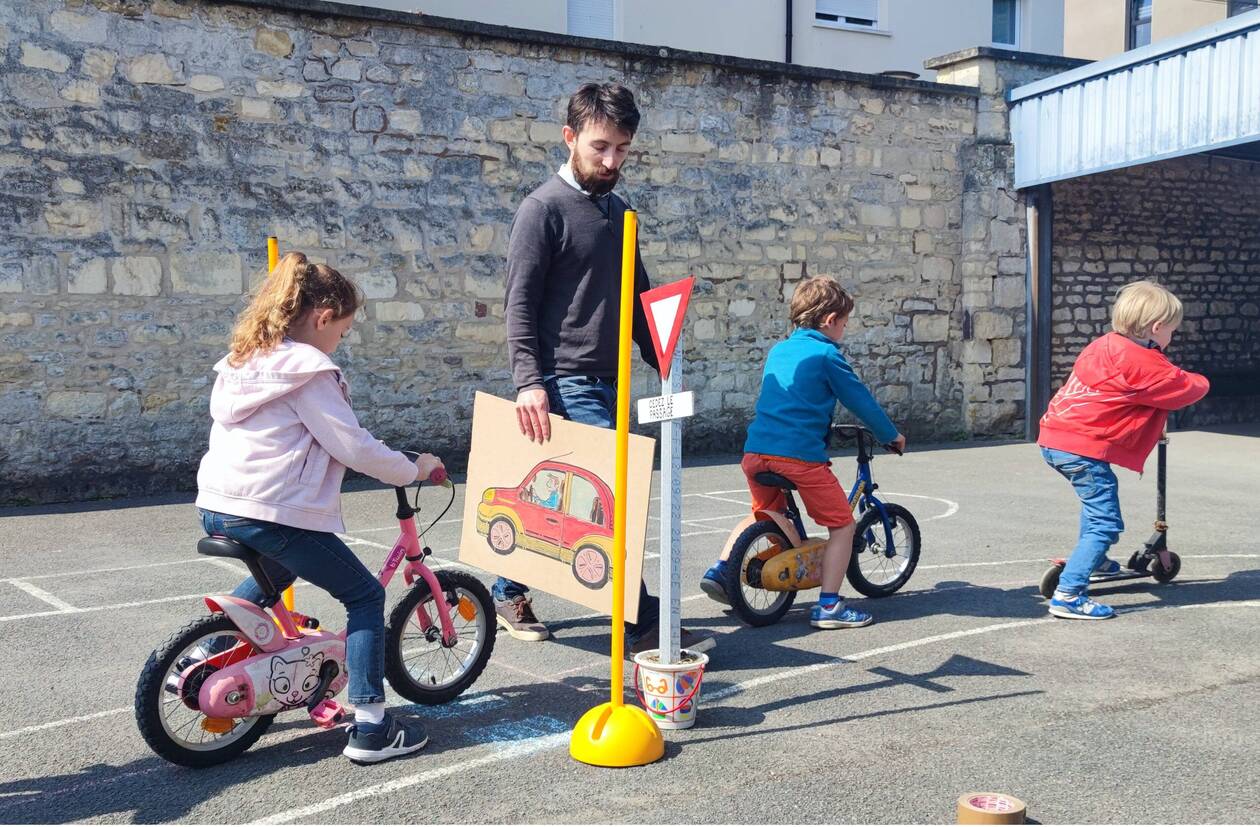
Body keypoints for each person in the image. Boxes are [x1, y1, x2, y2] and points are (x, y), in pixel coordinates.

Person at [196, 252, 441, 764]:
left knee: (279, 568)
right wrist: (412, 468)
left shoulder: (246, 361)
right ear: (323, 317)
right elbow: (350, 446)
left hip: (220, 504)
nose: (340, 343)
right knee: (366, 596)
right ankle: (372, 728)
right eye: (344, 332)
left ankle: (209, 651)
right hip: (272, 509)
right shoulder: (308, 370)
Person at [501, 81, 714, 656]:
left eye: (622, 148)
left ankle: (506, 585)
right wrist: (529, 383)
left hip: (611, 378)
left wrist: (663, 362)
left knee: (564, 497)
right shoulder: (541, 210)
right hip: (562, 380)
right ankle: (642, 620)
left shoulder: (621, 213)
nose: (611, 160)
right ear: (570, 138)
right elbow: (519, 302)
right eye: (600, 147)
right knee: (609, 497)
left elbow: (638, 296)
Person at [700, 277, 906, 630]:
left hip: (755, 452)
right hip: (797, 457)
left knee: (769, 515)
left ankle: (724, 570)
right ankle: (829, 606)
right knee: (843, 525)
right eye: (844, 321)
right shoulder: (827, 354)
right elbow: (860, 401)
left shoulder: (778, 350)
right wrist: (891, 435)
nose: (844, 328)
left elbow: (791, 399)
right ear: (830, 320)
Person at [1037, 280, 1208, 620]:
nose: (1170, 338)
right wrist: (1204, 380)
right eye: (1171, 331)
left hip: (1055, 438)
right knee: (1106, 523)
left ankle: (1095, 560)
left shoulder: (1104, 345)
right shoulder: (1141, 360)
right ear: (1156, 327)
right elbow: (1184, 386)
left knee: (1095, 504)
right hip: (1082, 446)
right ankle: (1069, 594)